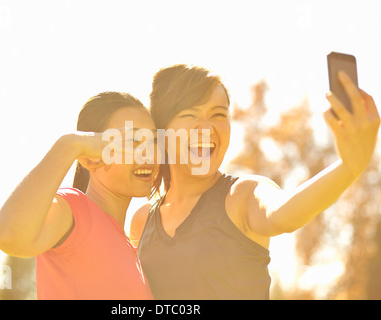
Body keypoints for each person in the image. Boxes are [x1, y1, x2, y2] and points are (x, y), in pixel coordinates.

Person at [130, 64, 380, 299]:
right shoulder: (142, 222)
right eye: (189, 114)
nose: (205, 128)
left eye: (218, 114)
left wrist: (349, 167)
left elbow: (283, 213)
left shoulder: (242, 196)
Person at [0, 91, 156, 299]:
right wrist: (68, 145)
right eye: (133, 140)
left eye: (153, 140)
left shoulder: (131, 251)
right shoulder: (72, 210)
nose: (148, 153)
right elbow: (9, 235)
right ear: (91, 156)